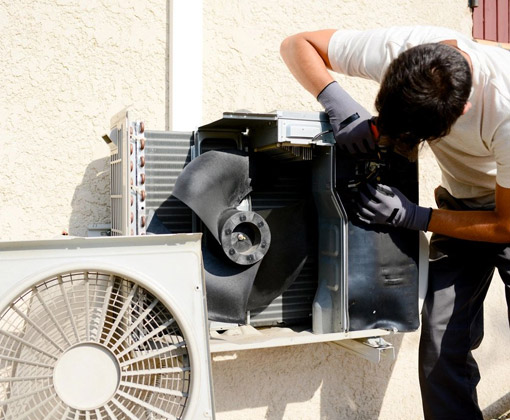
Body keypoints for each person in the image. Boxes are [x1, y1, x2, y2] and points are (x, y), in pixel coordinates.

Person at [280, 26, 510, 420]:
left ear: (463, 109)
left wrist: (416, 217)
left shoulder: (504, 109)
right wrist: (339, 102)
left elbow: (505, 226)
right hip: (462, 204)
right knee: (441, 345)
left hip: (506, 216)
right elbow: (296, 44)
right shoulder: (404, 51)